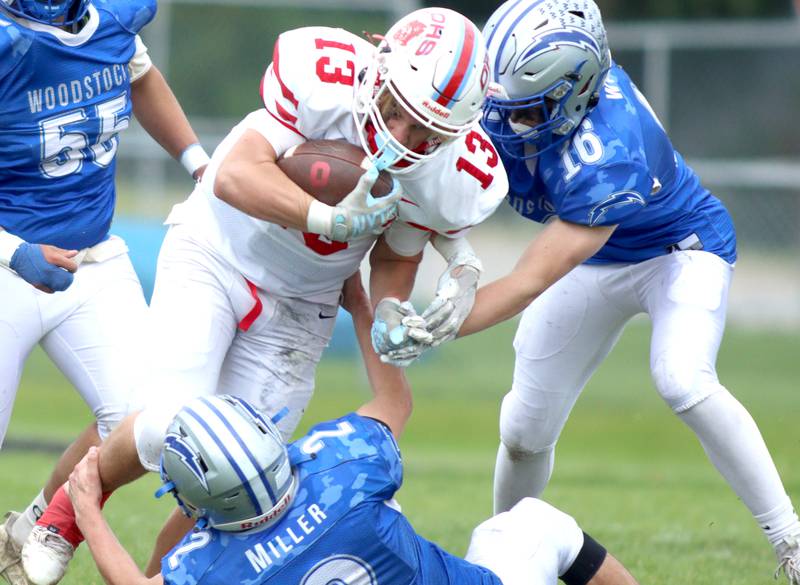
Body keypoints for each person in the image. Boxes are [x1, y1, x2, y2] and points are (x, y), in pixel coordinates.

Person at [21, 7, 508, 585]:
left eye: (426, 131)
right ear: (378, 68)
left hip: (305, 305)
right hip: (217, 250)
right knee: (166, 418)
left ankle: (159, 579)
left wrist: (392, 309)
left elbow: (397, 255)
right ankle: (60, 520)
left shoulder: (456, 172)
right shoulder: (322, 75)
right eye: (398, 112)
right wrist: (325, 216)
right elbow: (234, 174)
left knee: (240, 484)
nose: (403, 139)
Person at [376, 1, 800, 582]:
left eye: (523, 111)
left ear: (571, 98)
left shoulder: (607, 154)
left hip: (678, 249)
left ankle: (790, 538)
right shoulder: (520, 92)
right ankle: (508, 554)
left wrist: (440, 326)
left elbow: (531, 277)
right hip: (599, 257)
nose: (502, 120)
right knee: (524, 431)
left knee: (682, 378)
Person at [65, 272, 640, 585]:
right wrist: (363, 308)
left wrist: (88, 510)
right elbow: (395, 398)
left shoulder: (209, 566)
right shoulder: (345, 468)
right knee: (535, 523)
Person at [0, 0, 209, 582]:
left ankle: (38, 526)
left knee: (148, 422)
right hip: (5, 260)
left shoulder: (110, 22)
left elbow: (138, 77)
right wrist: (13, 250)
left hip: (95, 258)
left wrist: (199, 165)